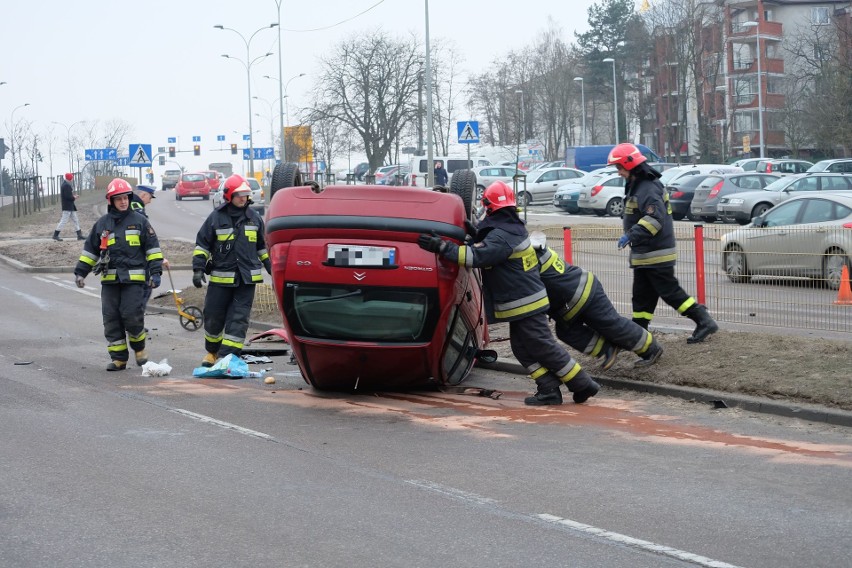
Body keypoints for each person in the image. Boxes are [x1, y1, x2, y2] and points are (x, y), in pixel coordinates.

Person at [417, 180, 599, 406]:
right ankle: (549, 388)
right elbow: (491, 248)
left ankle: (583, 384)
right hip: (523, 302)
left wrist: (443, 248)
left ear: (489, 207)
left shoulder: (501, 235)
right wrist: (477, 235)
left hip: (525, 303)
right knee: (522, 348)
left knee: (543, 345)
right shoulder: (510, 227)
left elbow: (478, 257)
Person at [609, 143, 718, 344]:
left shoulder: (647, 188)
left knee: (670, 293)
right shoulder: (640, 185)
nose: (618, 172)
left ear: (629, 165)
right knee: (642, 297)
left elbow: (654, 219)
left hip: (656, 254)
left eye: (619, 167)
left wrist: (631, 235)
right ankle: (639, 334)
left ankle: (703, 320)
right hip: (646, 254)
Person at [530, 231, 663, 369]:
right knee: (567, 332)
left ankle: (651, 349)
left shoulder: (527, 254)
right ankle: (608, 349)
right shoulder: (528, 247)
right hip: (569, 302)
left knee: (610, 323)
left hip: (582, 291)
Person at [73, 179, 164, 371]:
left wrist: (156, 273)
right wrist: (81, 272)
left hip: (134, 281)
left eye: (125, 198)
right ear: (110, 201)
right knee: (111, 318)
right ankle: (119, 359)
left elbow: (153, 250)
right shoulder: (102, 224)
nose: (123, 202)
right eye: (119, 199)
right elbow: (90, 251)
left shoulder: (140, 222)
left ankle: (139, 349)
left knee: (131, 315)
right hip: (110, 281)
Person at [192, 174, 272, 367]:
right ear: (229, 196)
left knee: (238, 319)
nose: (243, 198)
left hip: (246, 281)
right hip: (220, 280)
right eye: (239, 195)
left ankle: (228, 358)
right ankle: (212, 352)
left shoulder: (254, 219)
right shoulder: (216, 218)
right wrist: (198, 269)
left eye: (245, 195)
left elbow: (262, 246)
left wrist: (271, 266)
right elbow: (202, 245)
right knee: (213, 316)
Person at [53, 173, 85, 241]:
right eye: (72, 177)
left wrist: (73, 197)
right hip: (68, 207)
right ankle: (55, 235)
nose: (72, 179)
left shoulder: (65, 184)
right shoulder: (66, 185)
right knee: (64, 221)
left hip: (69, 206)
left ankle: (79, 235)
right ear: (70, 178)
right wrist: (74, 197)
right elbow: (68, 197)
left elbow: (68, 196)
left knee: (75, 220)